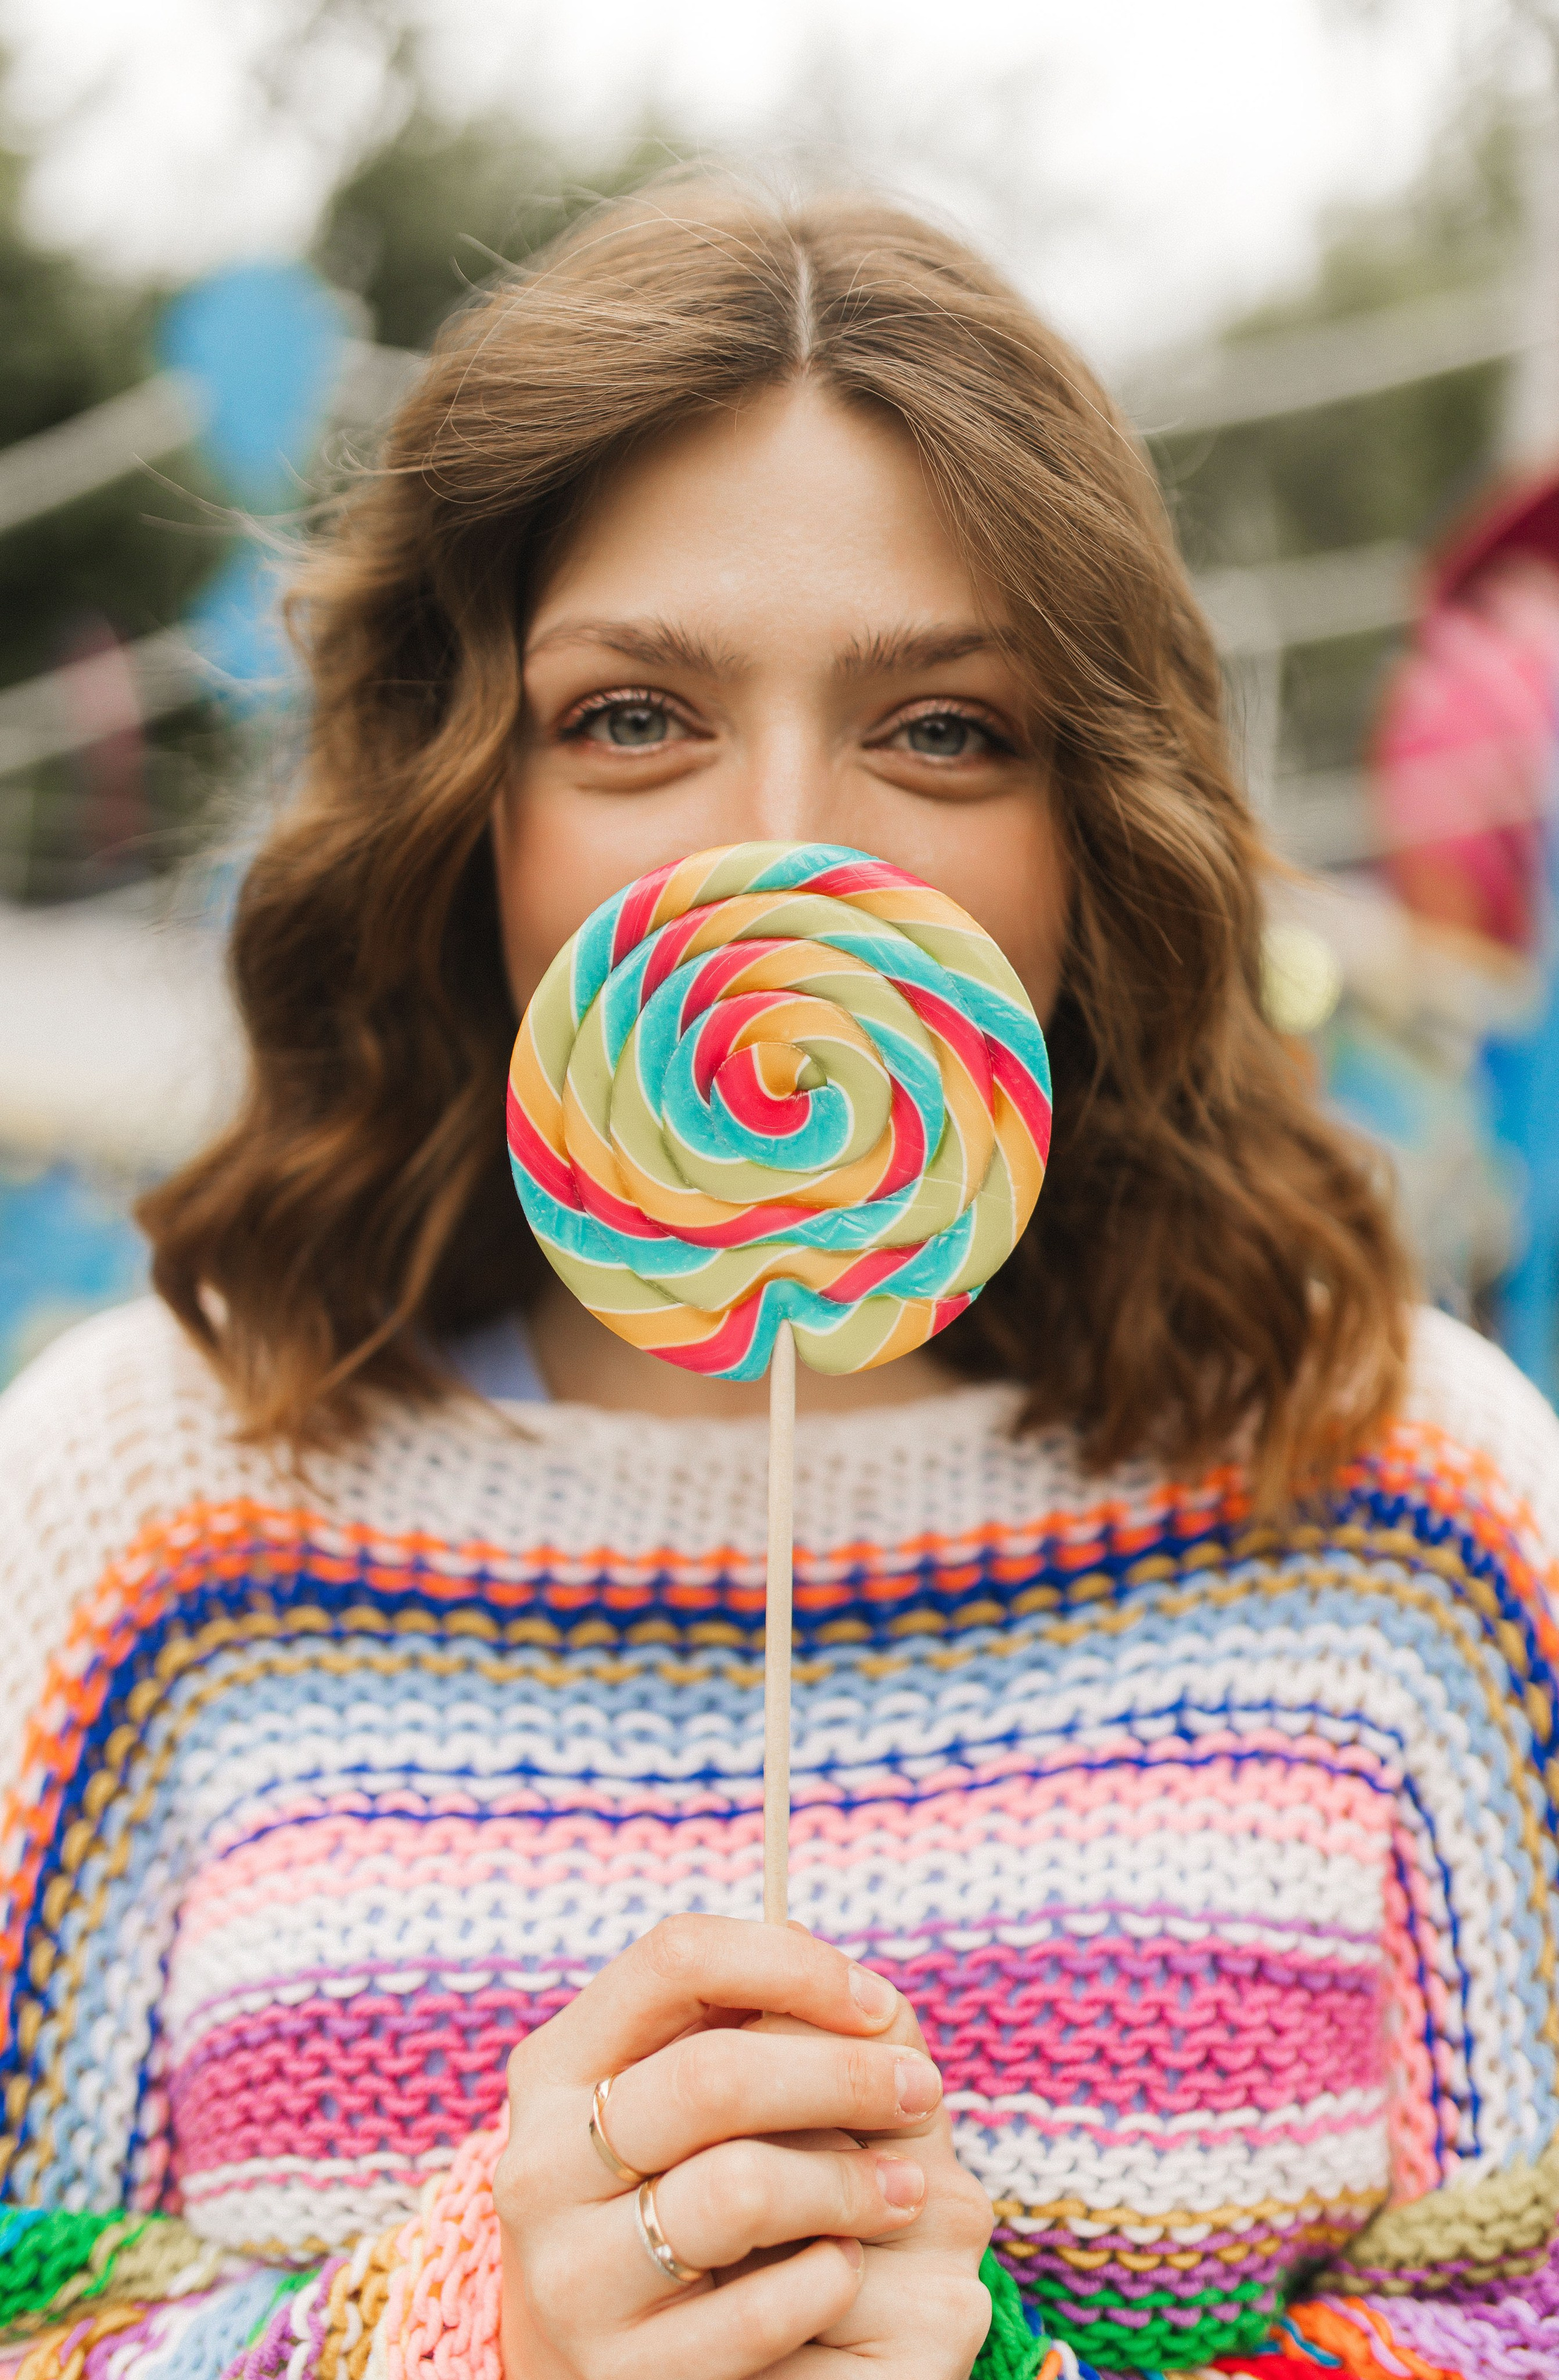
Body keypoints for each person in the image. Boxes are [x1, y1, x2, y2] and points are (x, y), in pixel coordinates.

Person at [0, 180, 1555, 2380]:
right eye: (636, 717)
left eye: (944, 728)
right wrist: (463, 2339)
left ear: (1092, 810)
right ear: (478, 795)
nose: (788, 848)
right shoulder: (143, 1498)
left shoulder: (1415, 1490)